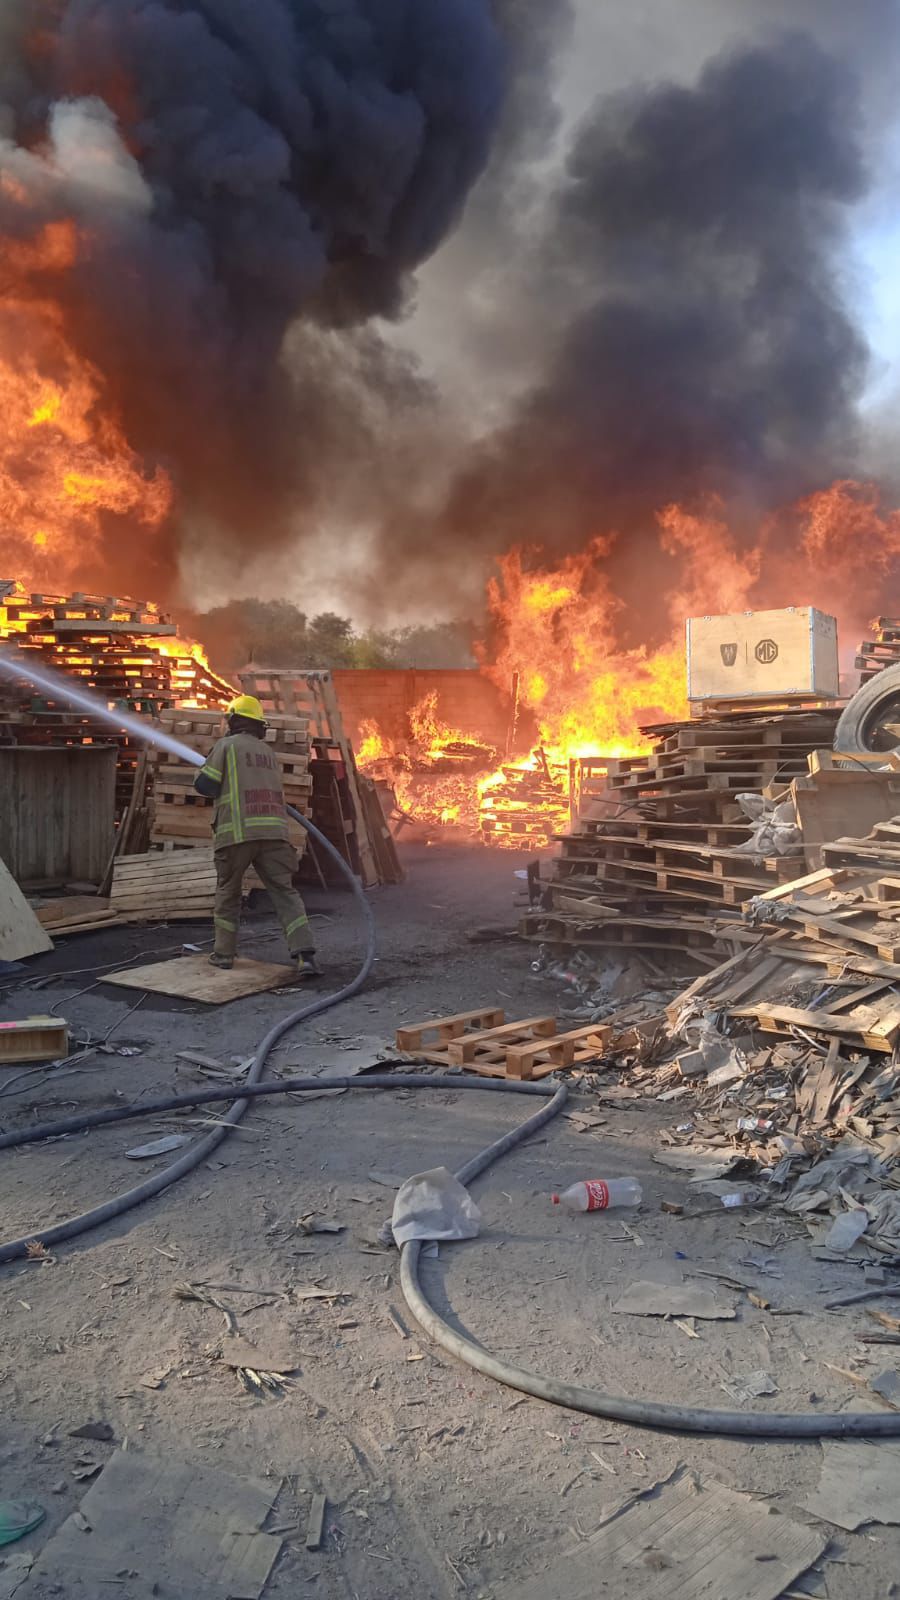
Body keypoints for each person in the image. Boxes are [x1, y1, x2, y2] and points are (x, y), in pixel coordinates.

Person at [193, 695, 321, 976]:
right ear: (258, 726)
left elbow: (206, 786)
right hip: (274, 834)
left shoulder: (226, 746)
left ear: (234, 720)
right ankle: (305, 957)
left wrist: (203, 768)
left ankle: (224, 955)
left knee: (228, 892)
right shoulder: (268, 754)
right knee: (285, 893)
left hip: (237, 834)